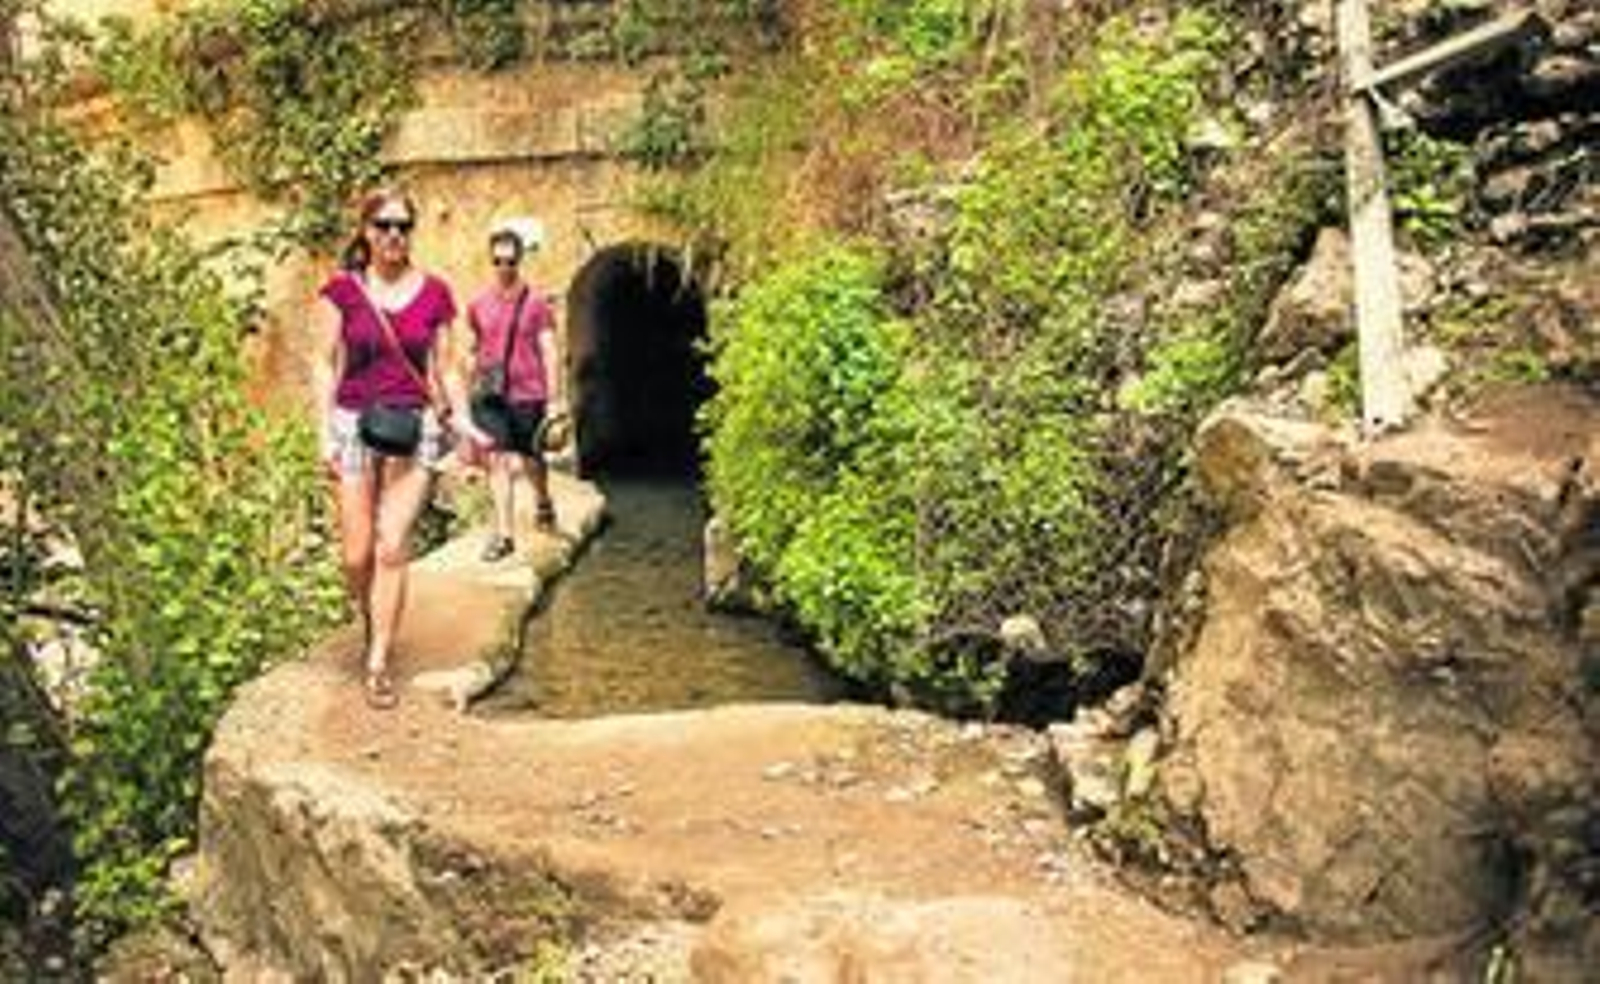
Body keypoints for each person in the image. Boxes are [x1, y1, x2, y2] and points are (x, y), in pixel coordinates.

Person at [313, 188, 463, 709]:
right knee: (356, 556)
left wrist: (461, 417)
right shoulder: (342, 292)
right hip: (353, 421)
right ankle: (371, 614)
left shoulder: (436, 293)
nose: (394, 235)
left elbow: (446, 366)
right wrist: (323, 429)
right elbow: (324, 361)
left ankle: (378, 661)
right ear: (366, 232)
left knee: (392, 544)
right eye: (383, 226)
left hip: (413, 425)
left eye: (403, 226)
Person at [466, 223, 563, 562]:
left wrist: (553, 400)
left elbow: (549, 350)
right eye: (498, 261)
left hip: (528, 393)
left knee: (531, 459)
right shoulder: (477, 304)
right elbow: (475, 347)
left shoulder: (536, 304)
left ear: (519, 261)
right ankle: (505, 535)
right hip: (491, 395)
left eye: (510, 261)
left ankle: (543, 499)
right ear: (490, 261)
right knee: (496, 459)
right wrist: (467, 390)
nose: (504, 268)